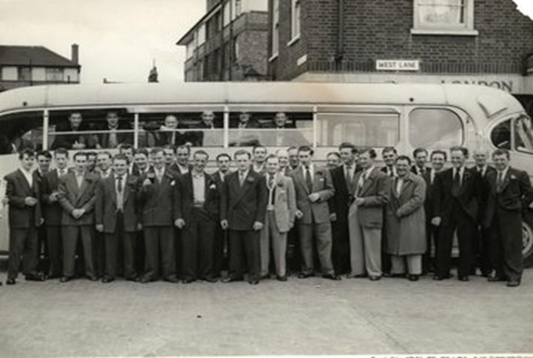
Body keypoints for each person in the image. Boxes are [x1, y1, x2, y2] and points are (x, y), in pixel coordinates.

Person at [485, 149, 533, 287]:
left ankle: (514, 276)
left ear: (508, 159)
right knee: (496, 245)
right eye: (497, 160)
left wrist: (519, 206)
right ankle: (500, 273)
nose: (499, 162)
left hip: (511, 215)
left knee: (512, 246)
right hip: (494, 215)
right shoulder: (490, 175)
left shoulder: (519, 174)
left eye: (502, 159)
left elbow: (529, 194)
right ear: (493, 160)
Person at [290, 146, 339, 280]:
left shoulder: (323, 171)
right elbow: (291, 195)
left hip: (321, 213)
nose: (303, 159)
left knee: (325, 242)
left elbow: (331, 190)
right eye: (301, 157)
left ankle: (328, 270)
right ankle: (307, 270)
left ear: (311, 156)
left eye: (306, 156)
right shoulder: (293, 174)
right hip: (304, 213)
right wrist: (295, 209)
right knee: (305, 243)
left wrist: (319, 195)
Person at [432, 146, 480, 281]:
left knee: (466, 243)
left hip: (465, 214)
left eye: (458, 157)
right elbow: (437, 198)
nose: (455, 160)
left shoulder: (473, 175)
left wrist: (473, 213)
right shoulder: (442, 176)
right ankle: (442, 272)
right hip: (447, 213)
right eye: (453, 158)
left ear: (465, 158)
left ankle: (464, 273)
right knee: (443, 243)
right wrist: (436, 215)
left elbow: (479, 196)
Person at [220, 150, 267, 285]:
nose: (242, 163)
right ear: (235, 162)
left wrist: (259, 219)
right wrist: (223, 217)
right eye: (239, 160)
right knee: (234, 249)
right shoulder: (229, 177)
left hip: (251, 219)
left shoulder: (258, 177)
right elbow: (225, 198)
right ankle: (235, 274)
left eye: (244, 160)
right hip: (233, 218)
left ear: (250, 161)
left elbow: (262, 201)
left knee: (252, 249)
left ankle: (254, 275)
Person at [175, 150, 220, 283]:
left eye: (203, 161)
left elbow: (215, 199)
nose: (200, 163)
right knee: (189, 246)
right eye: (198, 160)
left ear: (206, 162)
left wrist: (212, 214)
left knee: (207, 246)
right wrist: (178, 216)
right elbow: (177, 199)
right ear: (193, 161)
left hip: (206, 215)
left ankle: (206, 274)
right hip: (189, 214)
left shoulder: (211, 178)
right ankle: (189, 275)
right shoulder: (182, 179)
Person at [95, 154, 140, 283]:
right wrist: (99, 221)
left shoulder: (134, 180)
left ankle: (130, 272)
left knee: (129, 248)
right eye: (117, 165)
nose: (119, 167)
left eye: (122, 165)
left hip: (129, 218)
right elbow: (99, 203)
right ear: (112, 165)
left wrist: (139, 220)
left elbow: (139, 203)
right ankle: (109, 273)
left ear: (127, 166)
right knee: (110, 248)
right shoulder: (104, 182)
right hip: (110, 218)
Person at [137, 148, 179, 283]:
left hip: (167, 216)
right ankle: (151, 273)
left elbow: (177, 199)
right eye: (154, 159)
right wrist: (144, 188)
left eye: (159, 158)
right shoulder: (144, 177)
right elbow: (138, 200)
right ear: (151, 160)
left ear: (165, 158)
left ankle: (169, 274)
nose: (157, 161)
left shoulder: (174, 176)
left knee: (169, 249)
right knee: (150, 248)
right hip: (150, 217)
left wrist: (177, 216)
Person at [4, 148, 45, 285]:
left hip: (33, 217)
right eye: (27, 159)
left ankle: (30, 272)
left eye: (32, 159)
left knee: (32, 247)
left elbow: (38, 197)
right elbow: (8, 197)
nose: (29, 162)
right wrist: (23, 201)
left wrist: (39, 216)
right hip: (19, 218)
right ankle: (12, 276)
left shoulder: (35, 176)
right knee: (16, 248)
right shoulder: (11, 177)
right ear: (20, 160)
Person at [348, 148, 390, 281]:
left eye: (365, 158)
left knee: (372, 244)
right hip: (355, 211)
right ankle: (358, 270)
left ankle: (374, 271)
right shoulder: (358, 175)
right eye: (360, 159)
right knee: (356, 242)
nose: (362, 161)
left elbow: (384, 198)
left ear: (373, 159)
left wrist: (365, 201)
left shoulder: (381, 176)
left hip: (371, 212)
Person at [58, 151, 99, 282]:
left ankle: (90, 272)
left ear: (87, 163)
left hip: (86, 217)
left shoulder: (94, 178)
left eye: (83, 162)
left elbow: (95, 197)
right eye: (78, 161)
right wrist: (72, 210)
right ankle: (67, 273)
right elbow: (61, 196)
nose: (81, 164)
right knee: (69, 248)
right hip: (69, 217)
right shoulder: (64, 178)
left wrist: (84, 209)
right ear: (74, 162)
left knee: (89, 248)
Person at [384, 156, 427, 281]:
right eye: (399, 165)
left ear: (410, 166)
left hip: (412, 216)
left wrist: (402, 210)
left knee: (412, 244)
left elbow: (418, 199)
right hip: (395, 217)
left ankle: (414, 271)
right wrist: (392, 213)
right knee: (395, 244)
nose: (401, 168)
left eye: (404, 165)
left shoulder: (418, 180)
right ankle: (398, 270)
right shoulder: (392, 180)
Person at [259, 155, 296, 281]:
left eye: (275, 164)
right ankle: (264, 270)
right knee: (263, 243)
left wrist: (291, 220)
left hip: (279, 215)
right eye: (270, 164)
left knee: (280, 245)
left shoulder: (287, 180)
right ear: (265, 164)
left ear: (279, 165)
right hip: (263, 215)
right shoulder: (260, 178)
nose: (272, 166)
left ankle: (281, 272)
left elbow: (292, 202)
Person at [329, 143, 359, 276]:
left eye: (346, 153)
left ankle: (355, 267)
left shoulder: (361, 170)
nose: (343, 156)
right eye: (341, 154)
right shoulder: (335, 172)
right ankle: (340, 267)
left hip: (357, 209)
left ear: (354, 155)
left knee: (356, 239)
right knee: (339, 239)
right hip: (340, 210)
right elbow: (332, 193)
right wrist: (332, 211)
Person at [41, 148, 70, 279]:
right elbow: (41, 195)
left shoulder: (74, 173)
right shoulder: (48, 176)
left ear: (68, 159)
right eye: (58, 159)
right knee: (53, 246)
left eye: (63, 158)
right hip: (53, 216)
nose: (61, 161)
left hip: (69, 215)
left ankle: (68, 271)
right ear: (55, 160)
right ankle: (54, 270)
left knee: (68, 245)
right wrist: (49, 198)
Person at [421, 150, 447, 274]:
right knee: (424, 241)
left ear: (444, 161)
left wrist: (440, 215)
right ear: (430, 161)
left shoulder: (448, 176)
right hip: (425, 214)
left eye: (440, 159)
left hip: (441, 215)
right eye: (435, 159)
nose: (437, 162)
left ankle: (439, 268)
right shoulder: (424, 176)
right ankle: (424, 267)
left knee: (440, 242)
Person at [472, 148, 496, 277]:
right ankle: (474, 266)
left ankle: (487, 268)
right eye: (477, 156)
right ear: (473, 157)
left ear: (487, 156)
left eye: (482, 156)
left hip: (488, 211)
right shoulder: (469, 172)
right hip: (473, 211)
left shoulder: (493, 172)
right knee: (473, 240)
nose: (480, 158)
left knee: (488, 240)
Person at [212, 153, 231, 278]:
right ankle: (216, 269)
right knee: (216, 244)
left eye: (226, 161)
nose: (223, 164)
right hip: (215, 215)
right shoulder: (211, 177)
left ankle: (231, 268)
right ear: (217, 163)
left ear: (230, 163)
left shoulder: (235, 176)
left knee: (232, 243)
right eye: (221, 162)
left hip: (232, 215)